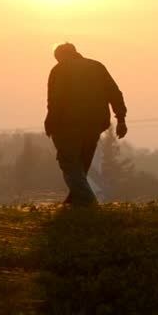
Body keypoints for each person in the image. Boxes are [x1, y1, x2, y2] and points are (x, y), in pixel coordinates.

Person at [45, 42, 127, 206]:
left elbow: (55, 100)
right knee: (82, 163)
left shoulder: (59, 70)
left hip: (67, 125)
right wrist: (121, 119)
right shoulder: (97, 67)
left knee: (68, 162)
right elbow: (114, 93)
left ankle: (89, 202)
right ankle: (75, 200)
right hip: (94, 125)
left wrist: (50, 121)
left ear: (60, 56)